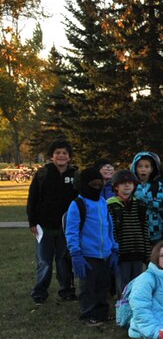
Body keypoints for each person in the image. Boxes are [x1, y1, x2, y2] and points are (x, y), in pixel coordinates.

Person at [28, 139, 79, 304]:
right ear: (52, 156)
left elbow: (79, 201)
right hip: (44, 227)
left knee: (64, 261)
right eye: (58, 153)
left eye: (64, 153)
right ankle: (40, 292)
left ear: (69, 157)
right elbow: (33, 199)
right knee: (44, 261)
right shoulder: (42, 174)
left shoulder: (74, 176)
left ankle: (66, 290)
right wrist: (33, 222)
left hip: (66, 227)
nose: (61, 156)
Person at [66, 167, 119, 324]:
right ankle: (88, 314)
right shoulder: (78, 204)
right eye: (93, 185)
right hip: (88, 254)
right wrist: (75, 253)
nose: (96, 188)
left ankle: (102, 312)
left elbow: (109, 227)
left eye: (99, 185)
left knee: (103, 285)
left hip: (106, 253)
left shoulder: (103, 202)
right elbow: (72, 231)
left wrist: (114, 247)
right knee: (88, 288)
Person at [107, 169, 151, 296]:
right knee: (123, 284)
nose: (127, 185)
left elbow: (144, 229)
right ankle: (123, 309)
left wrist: (147, 253)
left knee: (138, 283)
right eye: (123, 183)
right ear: (116, 186)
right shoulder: (110, 205)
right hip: (122, 253)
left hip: (138, 251)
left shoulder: (141, 205)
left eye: (130, 183)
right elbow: (112, 230)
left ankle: (136, 308)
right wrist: (114, 251)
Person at [130, 152, 163, 243]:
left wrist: (145, 201)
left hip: (155, 230)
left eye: (147, 166)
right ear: (134, 168)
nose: (143, 169)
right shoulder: (131, 185)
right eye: (140, 166)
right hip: (135, 231)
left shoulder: (157, 185)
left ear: (152, 169)